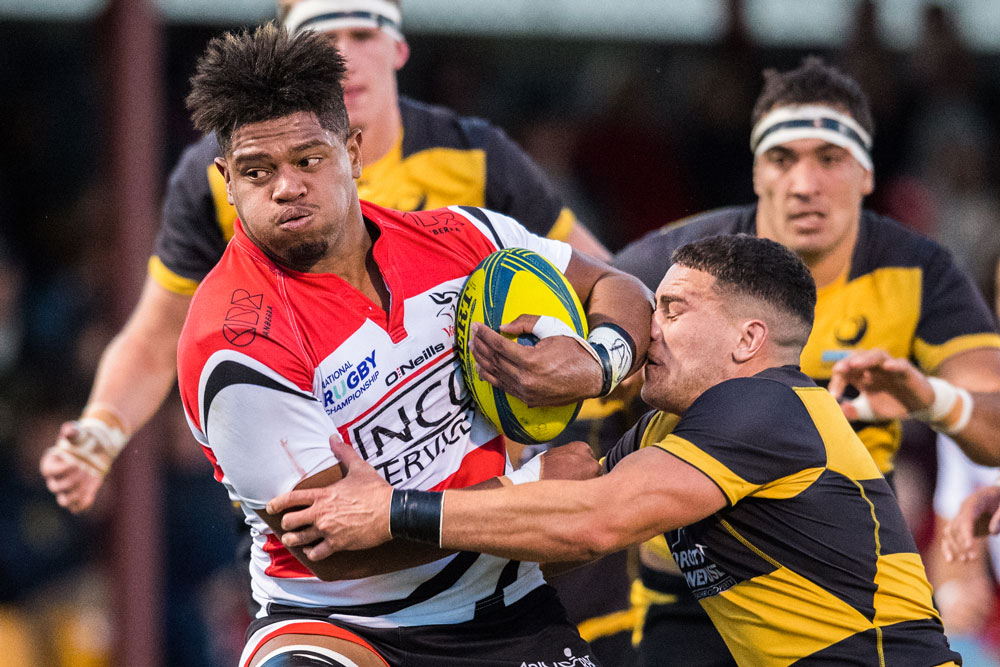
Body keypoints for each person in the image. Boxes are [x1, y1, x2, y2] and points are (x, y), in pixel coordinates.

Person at [177, 23, 651, 667]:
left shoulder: (463, 237)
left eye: (308, 160)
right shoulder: (230, 340)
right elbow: (338, 541)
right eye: (258, 171)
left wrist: (599, 361)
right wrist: (528, 490)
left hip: (505, 606)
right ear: (227, 179)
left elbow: (618, 288)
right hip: (336, 626)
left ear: (353, 152)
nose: (286, 187)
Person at [271, 234, 962, 667]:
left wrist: (395, 510)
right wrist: (528, 456)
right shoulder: (677, 426)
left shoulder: (767, 407)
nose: (650, 332)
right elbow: (565, 532)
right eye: (653, 307)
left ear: (747, 341)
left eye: (674, 310)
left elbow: (593, 520)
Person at [39, 0, 608, 514]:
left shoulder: (474, 156)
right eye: (319, 37)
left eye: (362, 31)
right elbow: (156, 332)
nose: (343, 55)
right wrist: (99, 434)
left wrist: (606, 362)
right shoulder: (219, 174)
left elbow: (592, 273)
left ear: (400, 47)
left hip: (484, 469)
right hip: (306, 466)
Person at [608, 56, 1000, 666]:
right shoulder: (669, 264)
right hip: (690, 590)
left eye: (830, 158)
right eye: (783, 158)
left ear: (868, 173)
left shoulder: (920, 272)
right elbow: (567, 367)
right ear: (757, 172)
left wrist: (931, 400)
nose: (804, 183)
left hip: (843, 589)